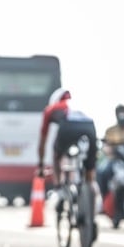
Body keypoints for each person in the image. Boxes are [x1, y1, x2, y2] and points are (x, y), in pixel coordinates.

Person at [37, 88, 98, 225]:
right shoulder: (81, 105)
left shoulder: (52, 109)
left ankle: (59, 188)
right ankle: (92, 212)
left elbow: (42, 142)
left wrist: (41, 165)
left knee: (56, 155)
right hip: (90, 126)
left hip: (68, 126)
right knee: (89, 172)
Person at [97, 104, 124, 197]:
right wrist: (112, 150)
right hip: (114, 160)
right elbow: (106, 147)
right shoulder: (110, 130)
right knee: (102, 172)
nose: (123, 115)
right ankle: (105, 197)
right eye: (121, 113)